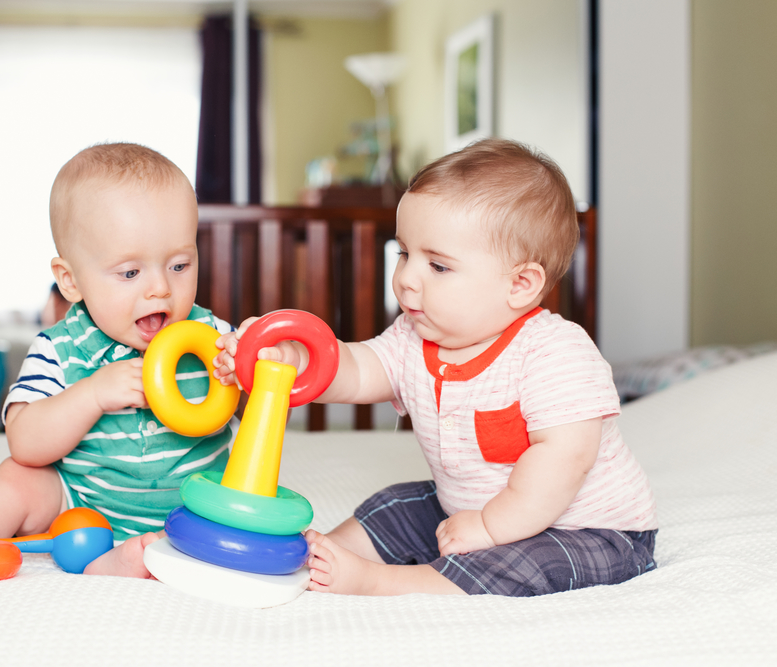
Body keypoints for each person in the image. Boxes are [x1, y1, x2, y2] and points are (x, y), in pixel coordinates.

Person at [215, 138, 658, 597]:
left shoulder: (554, 351)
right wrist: (290, 359)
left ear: (521, 284)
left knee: (515, 566)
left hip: (587, 530)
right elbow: (356, 369)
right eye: (404, 253)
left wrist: (489, 528)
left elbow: (566, 460)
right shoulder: (413, 338)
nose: (407, 278)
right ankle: (317, 552)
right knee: (398, 503)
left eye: (438, 266)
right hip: (472, 510)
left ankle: (386, 581)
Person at [0, 143, 237, 578]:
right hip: (81, 503)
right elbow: (26, 444)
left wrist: (250, 370)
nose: (160, 289)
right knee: (17, 480)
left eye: (180, 265)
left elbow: (267, 404)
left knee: (249, 508)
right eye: (130, 273)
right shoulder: (61, 348)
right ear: (70, 281)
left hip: (197, 506)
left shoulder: (215, 338)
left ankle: (119, 562)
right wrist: (92, 394)